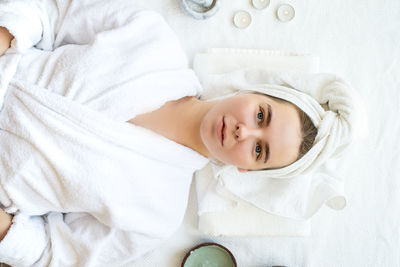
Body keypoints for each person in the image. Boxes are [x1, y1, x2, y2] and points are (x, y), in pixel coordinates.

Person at [0, 0, 356, 266]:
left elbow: (55, 253)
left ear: (246, 170)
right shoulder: (152, 40)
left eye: (259, 150)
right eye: (261, 114)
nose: (243, 131)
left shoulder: (159, 215)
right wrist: (6, 34)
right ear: (253, 90)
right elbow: (52, 11)